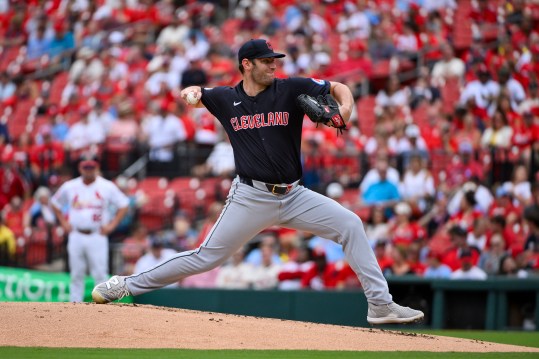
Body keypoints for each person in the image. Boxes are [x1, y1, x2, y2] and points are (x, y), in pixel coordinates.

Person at [92, 38, 424, 324]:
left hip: (295, 196)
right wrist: (192, 92)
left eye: (274, 60)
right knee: (206, 257)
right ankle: (125, 285)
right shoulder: (224, 99)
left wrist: (346, 110)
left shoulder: (291, 88)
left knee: (351, 224)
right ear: (246, 64)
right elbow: (197, 92)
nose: (273, 66)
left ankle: (380, 305)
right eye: (266, 61)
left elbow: (338, 88)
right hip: (251, 197)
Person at [51, 158, 129, 302]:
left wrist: (112, 225)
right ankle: (75, 305)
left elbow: (124, 203)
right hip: (76, 233)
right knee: (76, 274)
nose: (88, 170)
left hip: (97, 235)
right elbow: (55, 203)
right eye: (85, 167)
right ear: (80, 169)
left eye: (91, 167)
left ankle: (103, 305)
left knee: (100, 274)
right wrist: (63, 222)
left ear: (96, 168)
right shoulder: (70, 186)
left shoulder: (106, 186)